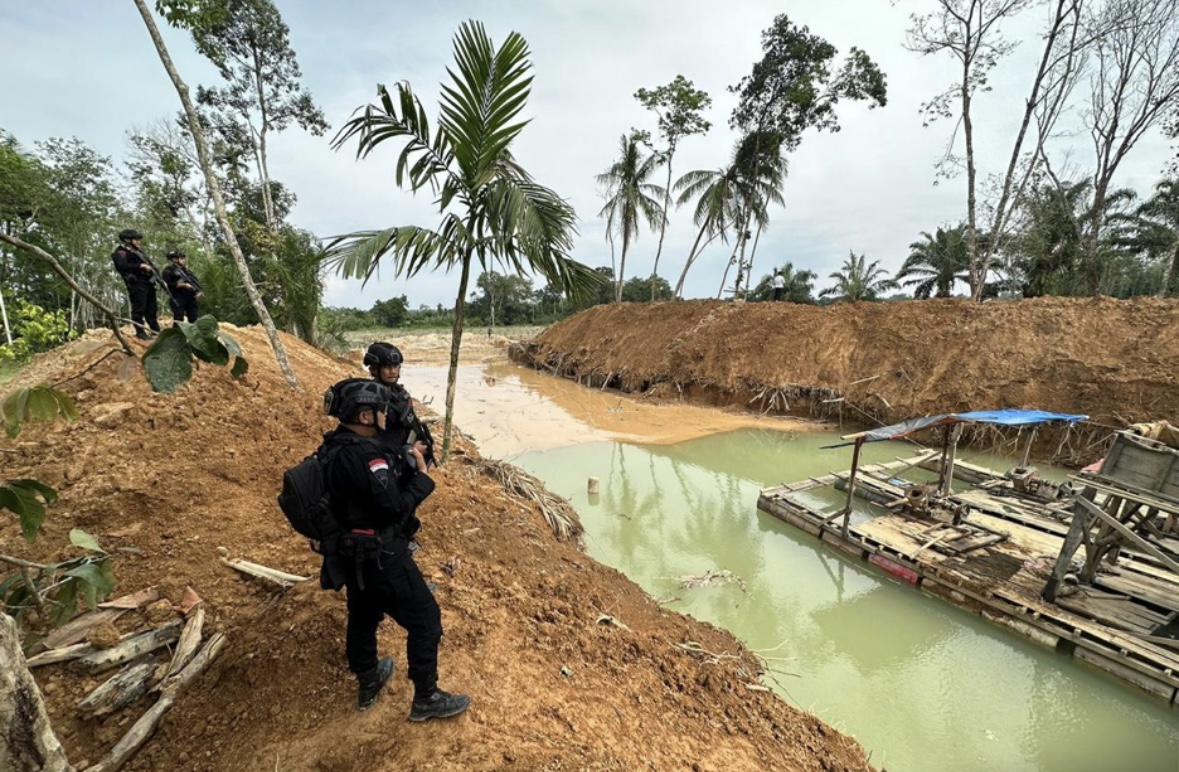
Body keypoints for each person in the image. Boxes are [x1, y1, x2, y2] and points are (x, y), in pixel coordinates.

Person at [320, 378, 470, 719]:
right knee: (426, 619)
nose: (385, 415)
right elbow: (393, 508)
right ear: (365, 415)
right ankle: (426, 697)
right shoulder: (367, 456)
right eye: (379, 411)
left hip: (351, 552)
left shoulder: (333, 447)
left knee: (363, 615)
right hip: (382, 554)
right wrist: (421, 478)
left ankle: (368, 680)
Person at [364, 341, 435, 466]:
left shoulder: (400, 393)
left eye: (395, 366)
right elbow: (372, 440)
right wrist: (411, 450)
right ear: (374, 369)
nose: (393, 371)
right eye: (387, 367)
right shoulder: (370, 398)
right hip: (385, 462)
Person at [110, 228, 161, 339]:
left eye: (139, 239)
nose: (138, 241)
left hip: (148, 283)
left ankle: (155, 329)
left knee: (152, 308)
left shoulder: (139, 252)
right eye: (136, 239)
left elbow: (152, 266)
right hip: (137, 283)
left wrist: (159, 279)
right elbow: (122, 266)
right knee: (139, 308)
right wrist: (140, 266)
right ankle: (140, 331)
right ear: (128, 240)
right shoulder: (121, 252)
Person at [161, 250, 202, 324]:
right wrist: (182, 285)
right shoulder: (169, 270)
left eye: (184, 258)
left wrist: (199, 291)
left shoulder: (187, 271)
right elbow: (165, 284)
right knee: (178, 318)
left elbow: (195, 282)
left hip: (190, 296)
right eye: (181, 258)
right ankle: (177, 334)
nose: (184, 260)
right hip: (178, 296)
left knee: (193, 317)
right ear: (174, 259)